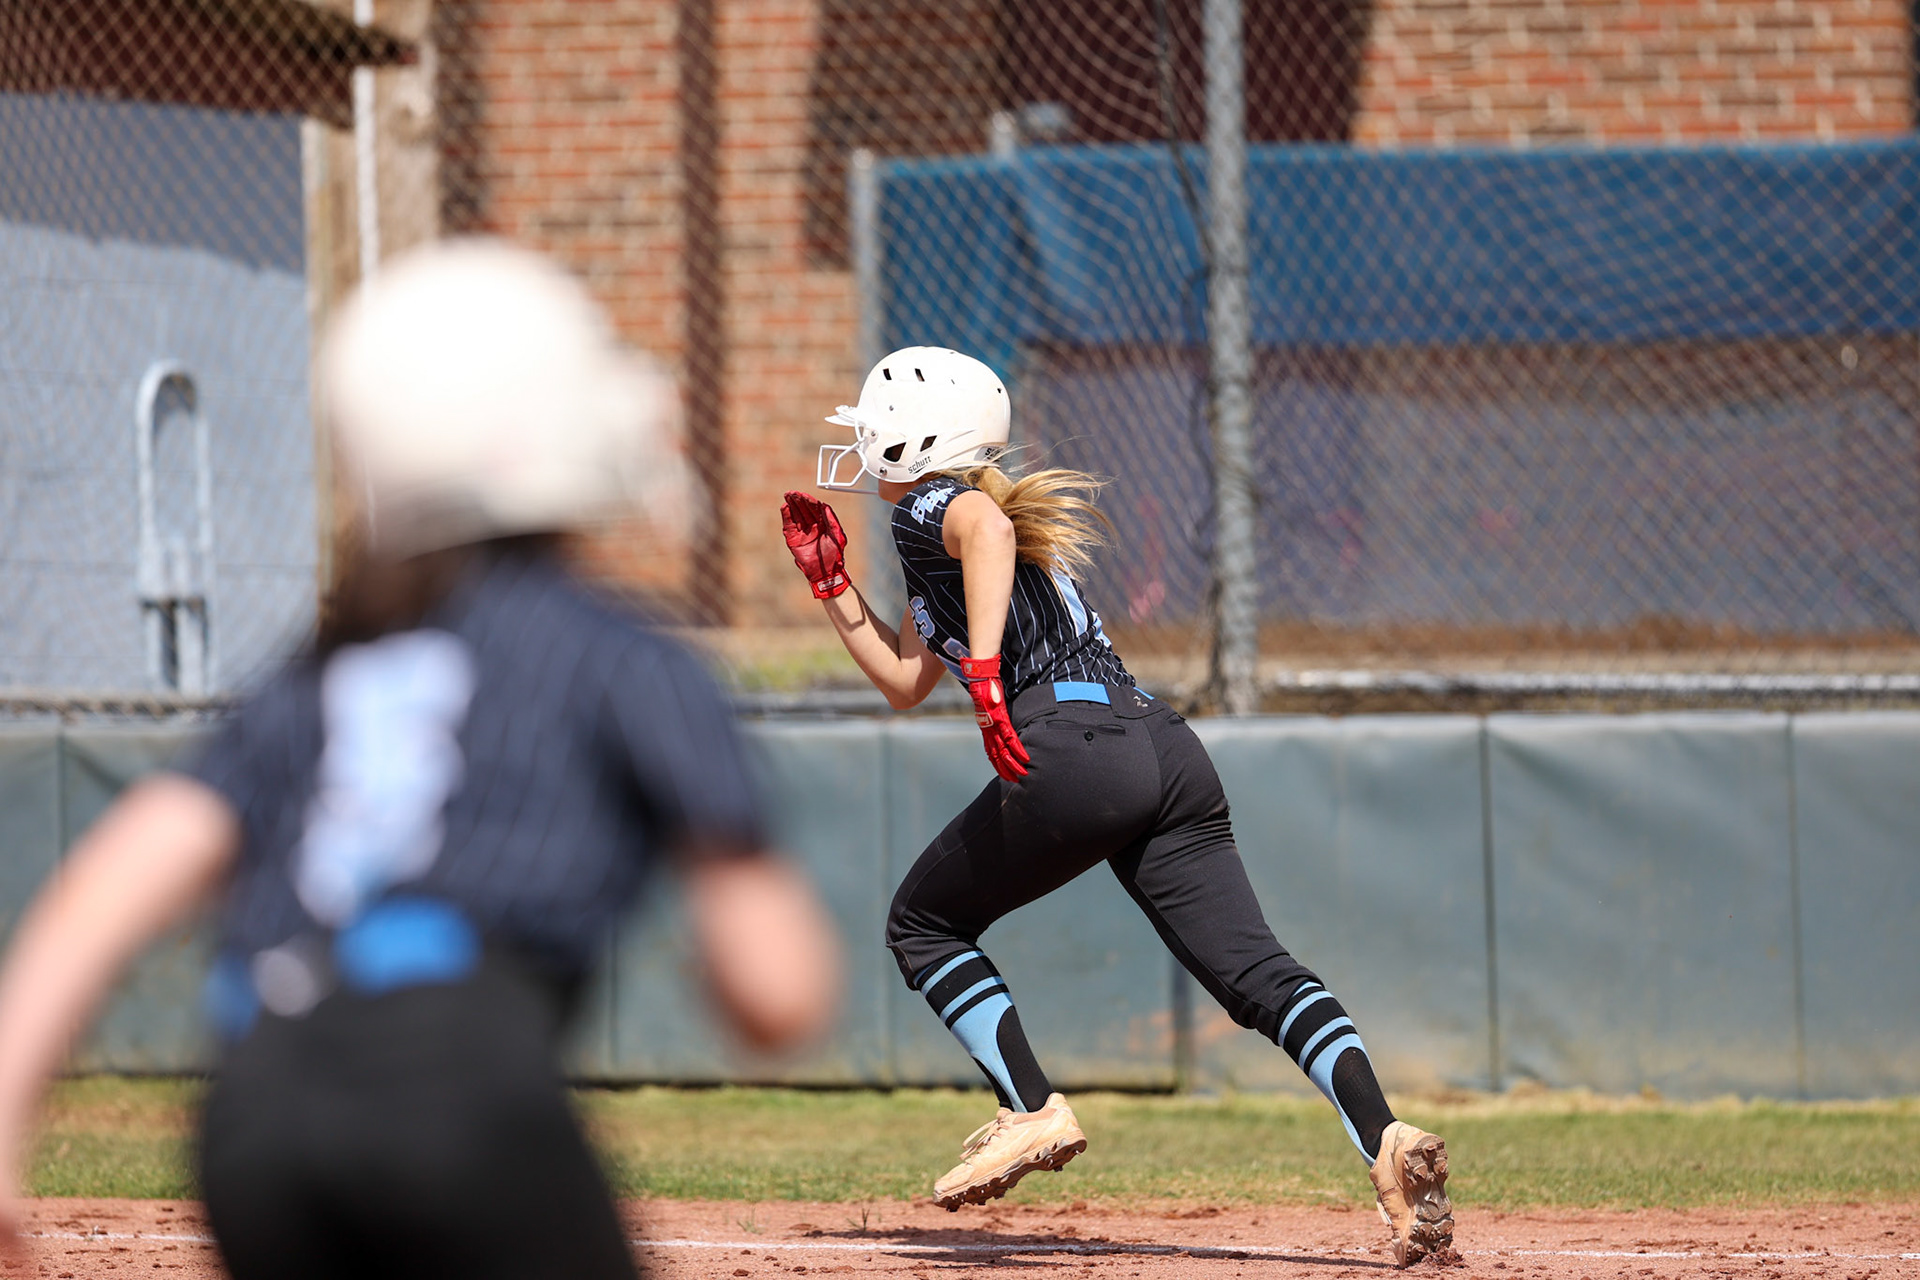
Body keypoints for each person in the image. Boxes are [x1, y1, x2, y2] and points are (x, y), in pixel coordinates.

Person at [0, 240, 841, 1280]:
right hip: (464, 1090)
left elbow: (100, 892)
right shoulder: (622, 656)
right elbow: (779, 994)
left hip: (253, 1111)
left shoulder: (310, 676)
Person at [781, 346, 1453, 1266]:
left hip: (1074, 748)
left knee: (921, 924)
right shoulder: (935, 549)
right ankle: (1387, 1138)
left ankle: (1030, 1108)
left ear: (918, 441)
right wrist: (832, 590)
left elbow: (980, 524)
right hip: (1163, 751)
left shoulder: (936, 509)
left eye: (874, 427)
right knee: (1257, 974)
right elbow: (903, 679)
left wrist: (984, 673)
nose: (861, 443)